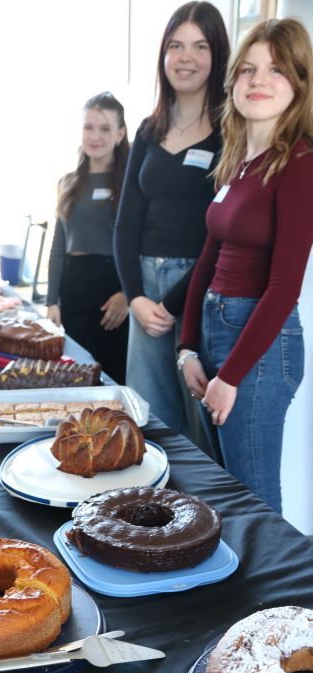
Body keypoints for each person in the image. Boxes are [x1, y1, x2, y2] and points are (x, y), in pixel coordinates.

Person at [179, 18, 313, 514]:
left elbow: (284, 288)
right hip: (218, 332)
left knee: (254, 501)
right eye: (248, 69)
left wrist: (230, 376)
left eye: (276, 70)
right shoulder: (239, 162)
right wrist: (187, 348)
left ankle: (275, 575)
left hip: (261, 345)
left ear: (299, 83)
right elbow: (207, 262)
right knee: (229, 495)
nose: (258, 81)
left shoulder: (300, 164)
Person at [114, 2, 229, 445]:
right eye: (176, 46)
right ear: (163, 55)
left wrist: (174, 300)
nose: (186, 57)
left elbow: (222, 233)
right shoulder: (149, 129)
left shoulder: (231, 131)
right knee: (148, 423)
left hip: (202, 286)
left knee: (201, 429)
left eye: (200, 46)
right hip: (146, 289)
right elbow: (125, 224)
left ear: (217, 55)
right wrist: (136, 298)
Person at [46, 92, 130, 384]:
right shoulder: (67, 182)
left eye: (105, 128)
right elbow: (59, 246)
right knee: (77, 377)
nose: (95, 136)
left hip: (114, 292)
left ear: (120, 134)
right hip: (75, 290)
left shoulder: (131, 183)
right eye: (89, 127)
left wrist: (127, 294)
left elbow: (141, 245)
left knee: (114, 377)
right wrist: (52, 300)